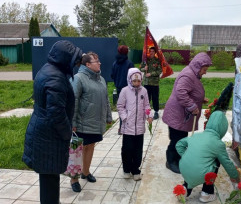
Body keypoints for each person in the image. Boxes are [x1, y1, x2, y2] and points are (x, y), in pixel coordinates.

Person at [22, 40, 83, 204]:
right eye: (74, 59)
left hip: (44, 133)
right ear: (65, 59)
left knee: (50, 178)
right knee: (49, 179)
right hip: (48, 136)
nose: (76, 63)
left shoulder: (50, 69)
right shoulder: (55, 78)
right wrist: (67, 133)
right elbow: (56, 112)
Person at [162, 52, 212, 174]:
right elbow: (181, 92)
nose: (205, 72)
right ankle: (171, 161)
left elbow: (190, 91)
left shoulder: (192, 73)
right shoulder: (188, 75)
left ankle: (178, 159)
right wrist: (192, 105)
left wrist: (200, 99)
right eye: (204, 69)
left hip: (181, 114)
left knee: (181, 138)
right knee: (177, 139)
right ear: (198, 66)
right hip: (178, 115)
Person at [69, 52, 112, 192]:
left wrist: (108, 116)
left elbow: (106, 100)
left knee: (91, 146)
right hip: (81, 122)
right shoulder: (78, 78)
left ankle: (85, 172)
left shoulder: (101, 79)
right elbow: (73, 101)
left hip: (95, 122)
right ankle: (73, 179)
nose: (99, 63)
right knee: (77, 151)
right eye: (96, 61)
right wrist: (73, 122)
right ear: (87, 64)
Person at [176, 111, 240, 203]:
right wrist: (235, 175)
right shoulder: (218, 144)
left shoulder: (197, 136)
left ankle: (185, 188)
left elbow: (179, 144)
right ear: (223, 129)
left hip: (184, 168)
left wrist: (185, 155)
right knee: (216, 161)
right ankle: (206, 193)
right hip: (201, 173)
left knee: (195, 162)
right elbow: (227, 163)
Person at [117, 68, 153, 181]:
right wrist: (125, 117)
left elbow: (147, 105)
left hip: (139, 127)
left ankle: (136, 169)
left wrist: (149, 116)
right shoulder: (124, 91)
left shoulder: (144, 91)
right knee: (128, 149)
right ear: (130, 80)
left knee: (138, 149)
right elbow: (120, 106)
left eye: (139, 81)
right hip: (128, 126)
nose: (136, 83)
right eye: (134, 81)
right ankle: (127, 169)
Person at [111, 45, 134, 134]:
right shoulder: (129, 64)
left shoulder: (114, 63)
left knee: (121, 107)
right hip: (129, 89)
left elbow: (112, 76)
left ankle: (121, 127)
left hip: (119, 88)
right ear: (127, 52)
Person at [140, 46, 162, 120]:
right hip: (146, 83)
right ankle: (147, 112)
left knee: (155, 98)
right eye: (150, 51)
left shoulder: (157, 61)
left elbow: (159, 71)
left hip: (155, 83)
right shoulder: (146, 60)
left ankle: (156, 112)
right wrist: (144, 68)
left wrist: (151, 74)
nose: (151, 53)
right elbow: (140, 68)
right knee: (147, 98)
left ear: (155, 52)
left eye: (153, 51)